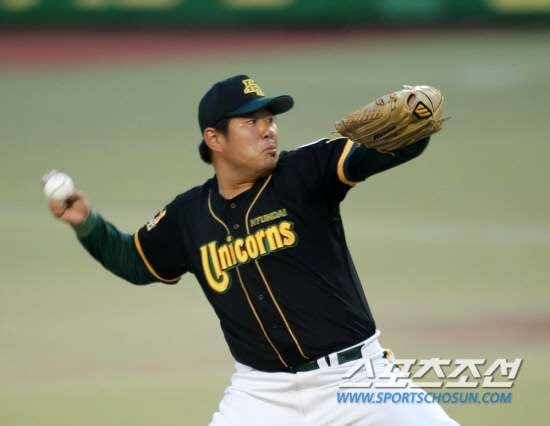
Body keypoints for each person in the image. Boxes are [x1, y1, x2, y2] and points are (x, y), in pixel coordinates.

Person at [45, 75, 458, 425]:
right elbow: (135, 262)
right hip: (262, 395)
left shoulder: (306, 170)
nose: (268, 130)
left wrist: (414, 128)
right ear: (214, 138)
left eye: (270, 120)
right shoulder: (189, 215)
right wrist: (87, 223)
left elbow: (389, 149)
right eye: (251, 121)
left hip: (358, 380)